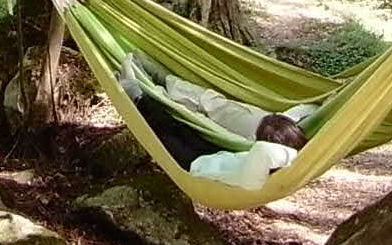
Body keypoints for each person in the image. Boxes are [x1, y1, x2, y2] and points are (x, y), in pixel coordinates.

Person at [118, 53, 313, 188]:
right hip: (215, 154)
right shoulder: (273, 145)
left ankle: (134, 91)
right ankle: (140, 86)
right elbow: (300, 111)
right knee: (175, 123)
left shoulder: (255, 180)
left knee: (162, 130)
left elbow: (263, 150)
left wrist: (296, 159)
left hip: (195, 165)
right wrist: (329, 101)